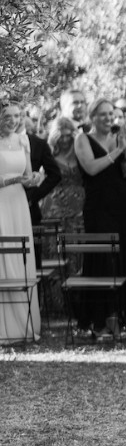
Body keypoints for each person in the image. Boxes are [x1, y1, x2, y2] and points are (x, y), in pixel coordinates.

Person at [74, 96, 126, 334]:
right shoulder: (82, 139)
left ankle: (124, 312)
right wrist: (116, 152)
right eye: (103, 114)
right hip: (98, 205)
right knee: (103, 258)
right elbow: (91, 168)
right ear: (92, 116)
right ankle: (101, 316)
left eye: (111, 114)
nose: (108, 118)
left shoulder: (120, 138)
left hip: (123, 203)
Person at [0, 102, 41, 343]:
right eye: (8, 115)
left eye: (17, 116)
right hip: (2, 202)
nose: (13, 120)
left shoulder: (23, 141)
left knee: (21, 254)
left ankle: (23, 325)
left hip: (18, 203)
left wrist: (34, 178)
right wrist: (15, 179)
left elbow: (29, 174)